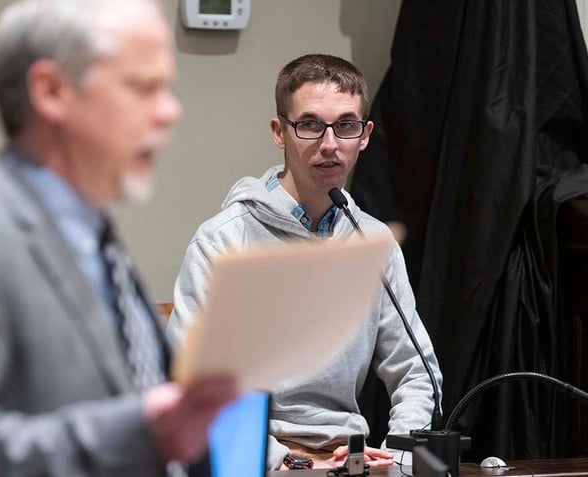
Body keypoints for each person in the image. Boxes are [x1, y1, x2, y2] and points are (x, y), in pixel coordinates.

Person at [0, 0, 238, 475]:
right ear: (51, 91)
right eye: (142, 87)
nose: (170, 111)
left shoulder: (96, 241)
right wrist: (139, 433)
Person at [166, 54, 442, 471]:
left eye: (345, 125)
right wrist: (291, 462)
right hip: (255, 460)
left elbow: (417, 372)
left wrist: (396, 456)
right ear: (280, 132)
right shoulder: (224, 239)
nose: (329, 144)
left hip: (350, 459)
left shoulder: (375, 242)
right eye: (310, 125)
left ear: (364, 135)